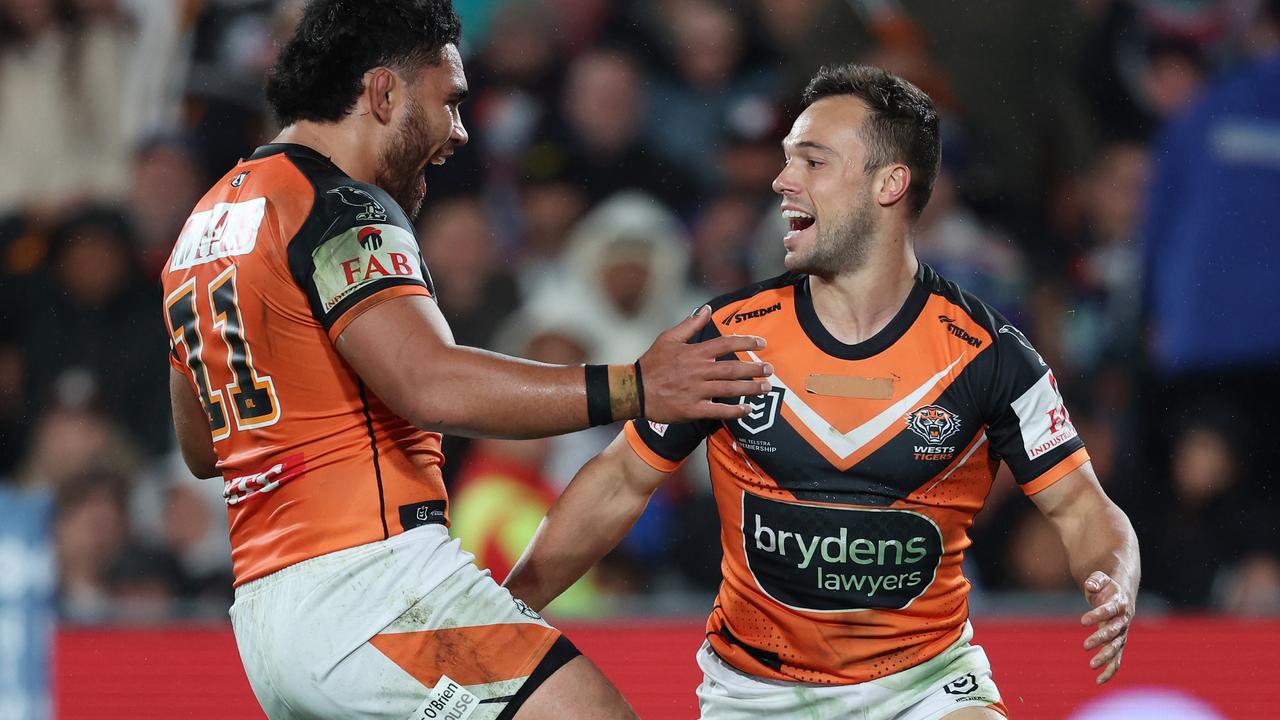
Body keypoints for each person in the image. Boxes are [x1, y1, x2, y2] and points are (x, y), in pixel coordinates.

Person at [158, 2, 770, 719]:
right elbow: (430, 383)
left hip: (270, 621)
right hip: (375, 590)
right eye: (448, 100)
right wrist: (638, 386)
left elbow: (206, 447)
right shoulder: (342, 208)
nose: (459, 132)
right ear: (383, 93)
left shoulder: (203, 227)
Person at [504, 64, 1141, 719]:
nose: (782, 181)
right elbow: (618, 483)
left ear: (890, 184)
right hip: (754, 695)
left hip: (923, 688)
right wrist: (503, 610)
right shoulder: (727, 337)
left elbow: (1084, 508)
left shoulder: (991, 356)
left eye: (812, 161)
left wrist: (1114, 575)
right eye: (787, 161)